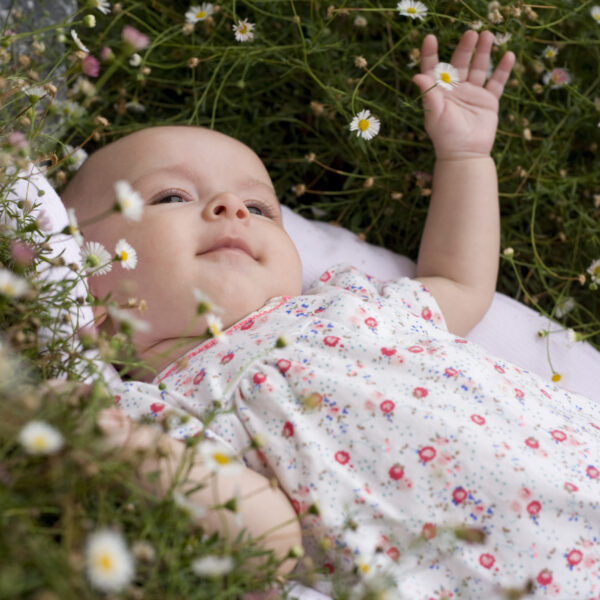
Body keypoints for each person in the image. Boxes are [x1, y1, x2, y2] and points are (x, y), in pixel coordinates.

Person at [64, 31, 600, 598]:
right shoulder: (158, 410)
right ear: (83, 276)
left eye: (260, 207)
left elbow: (460, 282)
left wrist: (465, 156)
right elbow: (266, 537)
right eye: (171, 196)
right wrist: (124, 444)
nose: (232, 209)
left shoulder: (348, 306)